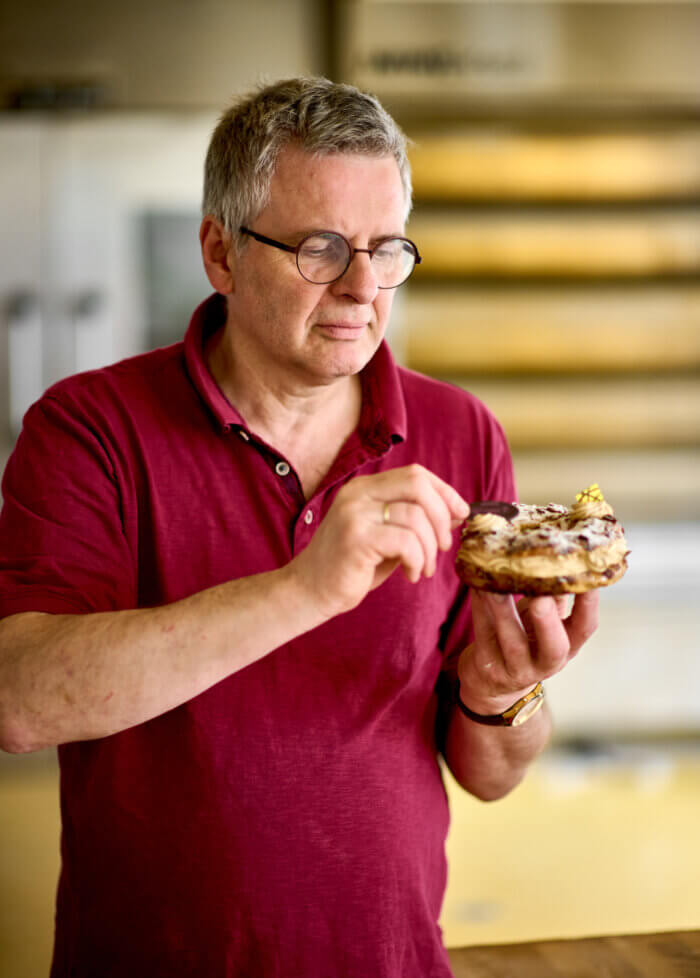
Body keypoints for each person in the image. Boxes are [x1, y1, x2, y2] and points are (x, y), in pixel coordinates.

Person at [0, 77, 598, 978]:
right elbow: (20, 701)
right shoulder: (89, 426)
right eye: (321, 248)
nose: (364, 288)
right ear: (220, 252)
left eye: (387, 248)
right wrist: (303, 588)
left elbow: (490, 774)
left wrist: (505, 690)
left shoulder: (463, 435)